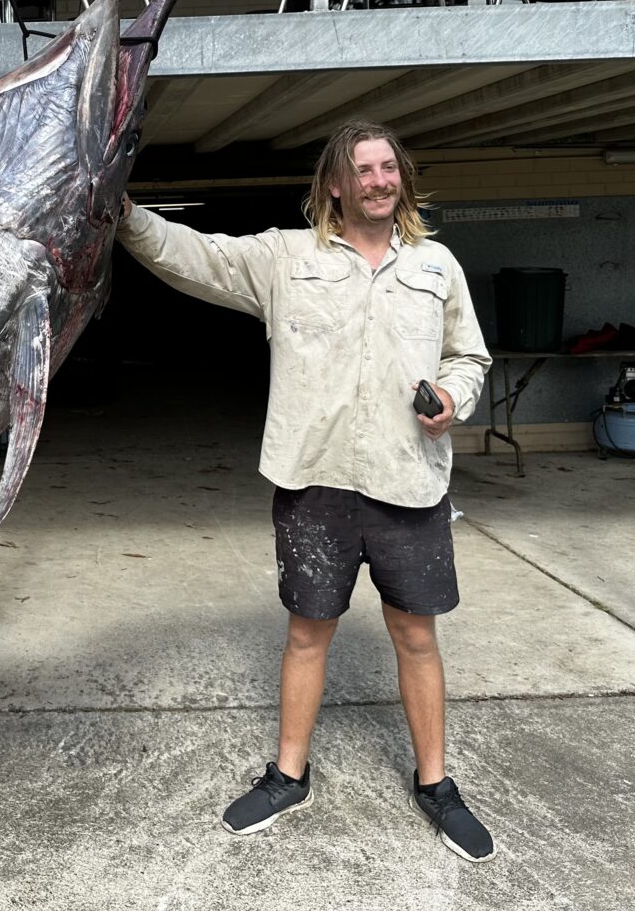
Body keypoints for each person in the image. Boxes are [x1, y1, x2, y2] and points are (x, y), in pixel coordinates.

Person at [116, 119, 495, 861]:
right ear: (335, 184)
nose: (380, 181)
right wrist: (122, 214)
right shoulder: (286, 259)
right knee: (305, 634)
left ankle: (436, 784)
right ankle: (289, 775)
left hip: (407, 482)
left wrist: (453, 396)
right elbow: (193, 255)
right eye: (364, 170)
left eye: (389, 168)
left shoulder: (437, 266)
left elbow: (469, 354)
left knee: (417, 637)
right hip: (314, 481)